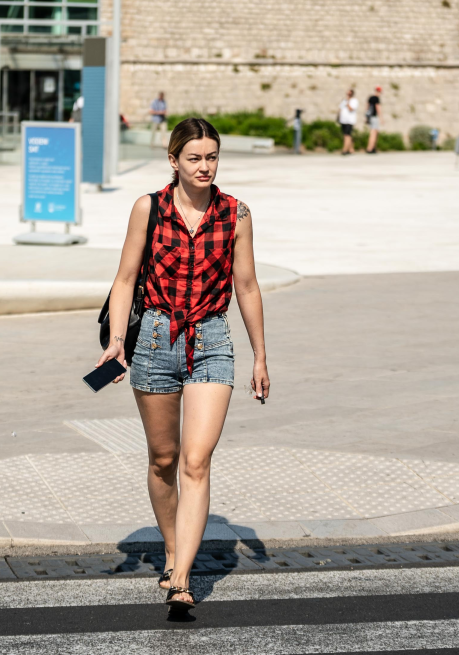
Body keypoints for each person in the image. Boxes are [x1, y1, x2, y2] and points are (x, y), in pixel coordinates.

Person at [97, 117, 270, 613]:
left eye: (212, 157)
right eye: (194, 158)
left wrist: (260, 355)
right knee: (164, 460)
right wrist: (115, 343)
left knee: (196, 461)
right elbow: (126, 277)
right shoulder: (148, 208)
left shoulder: (236, 214)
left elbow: (248, 286)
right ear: (173, 161)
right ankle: (172, 547)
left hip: (212, 340)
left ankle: (181, 577)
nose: (204, 167)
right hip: (154, 338)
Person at [337, 89, 359, 155]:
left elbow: (351, 109)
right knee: (346, 135)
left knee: (347, 135)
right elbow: (340, 108)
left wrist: (348, 103)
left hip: (349, 120)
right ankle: (351, 149)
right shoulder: (344, 100)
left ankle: (345, 149)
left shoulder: (354, 101)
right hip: (343, 120)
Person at [364, 86, 382, 154]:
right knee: (373, 133)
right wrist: (381, 118)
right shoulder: (376, 98)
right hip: (374, 117)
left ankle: (373, 147)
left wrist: (366, 117)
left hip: (370, 117)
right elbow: (378, 108)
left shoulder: (370, 98)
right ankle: (370, 148)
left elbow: (367, 108)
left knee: (375, 132)